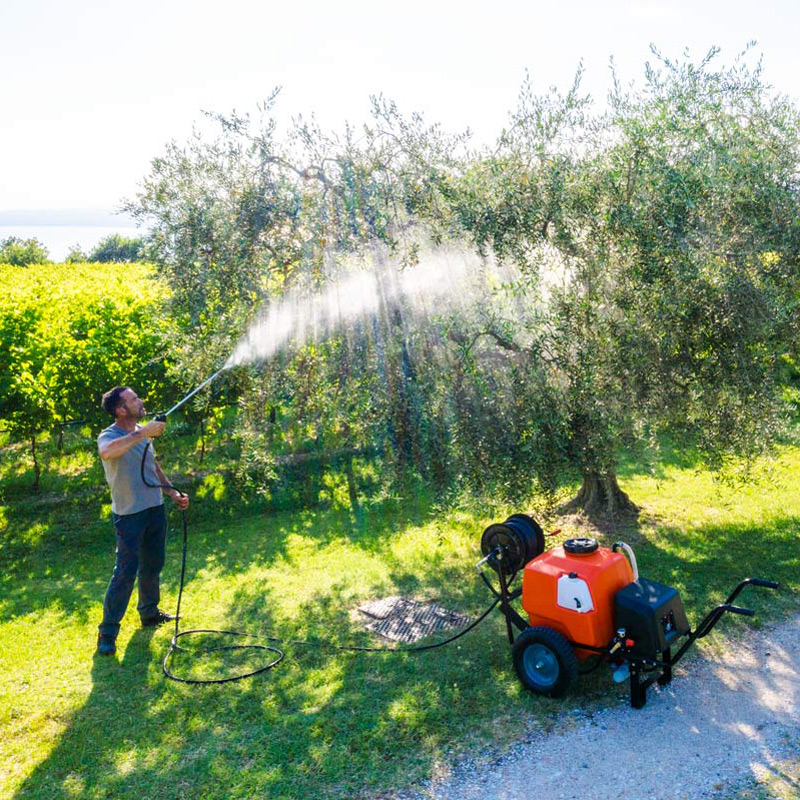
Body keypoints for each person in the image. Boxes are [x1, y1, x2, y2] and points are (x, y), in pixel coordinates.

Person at [95, 386, 189, 656]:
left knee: (152, 565)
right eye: (133, 399)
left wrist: (171, 491)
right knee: (124, 573)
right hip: (129, 516)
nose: (140, 401)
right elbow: (107, 453)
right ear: (120, 409)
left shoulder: (142, 434)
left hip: (154, 509)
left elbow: (152, 466)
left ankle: (149, 612)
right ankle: (108, 632)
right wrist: (142, 432)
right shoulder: (110, 435)